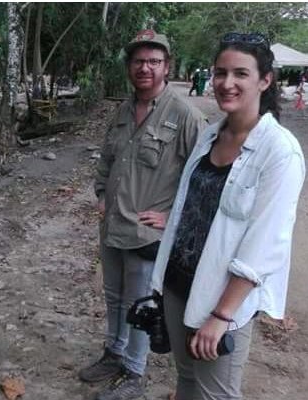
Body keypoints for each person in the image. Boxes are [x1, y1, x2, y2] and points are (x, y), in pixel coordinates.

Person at [151, 32, 305, 399]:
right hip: (177, 283)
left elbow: (265, 245)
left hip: (220, 300)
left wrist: (221, 317)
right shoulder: (210, 135)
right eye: (220, 72)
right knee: (187, 379)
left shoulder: (280, 152)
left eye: (240, 73)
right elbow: (195, 204)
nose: (226, 83)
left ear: (265, 80)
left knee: (216, 393)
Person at [81, 29, 206, 400]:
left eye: (154, 61)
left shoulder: (185, 116)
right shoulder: (121, 111)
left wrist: (172, 218)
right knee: (113, 297)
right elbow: (106, 160)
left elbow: (203, 177)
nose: (145, 68)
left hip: (148, 235)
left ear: (167, 67)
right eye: (138, 61)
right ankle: (113, 353)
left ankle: (134, 373)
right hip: (113, 225)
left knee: (140, 305)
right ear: (129, 67)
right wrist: (101, 194)